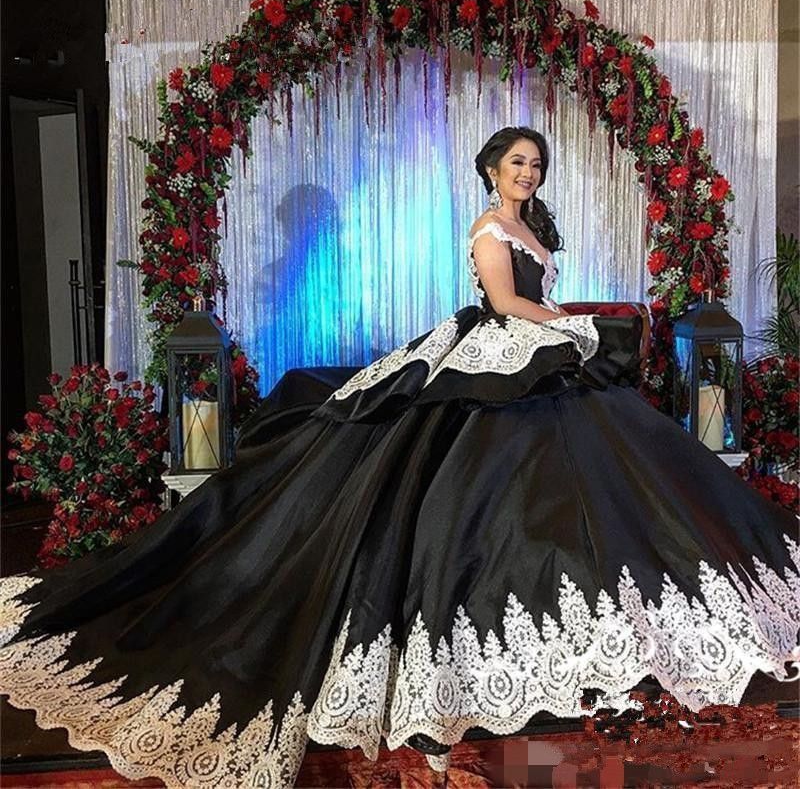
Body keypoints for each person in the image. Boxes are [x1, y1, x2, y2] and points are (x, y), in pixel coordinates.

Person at [0, 127, 797, 789]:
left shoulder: (534, 227)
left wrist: (565, 322)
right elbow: (504, 303)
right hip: (502, 351)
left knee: (600, 468)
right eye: (517, 163)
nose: (527, 173)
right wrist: (570, 324)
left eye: (535, 164)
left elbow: (533, 298)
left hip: (540, 350)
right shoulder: (489, 229)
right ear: (492, 170)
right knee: (479, 477)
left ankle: (599, 620)